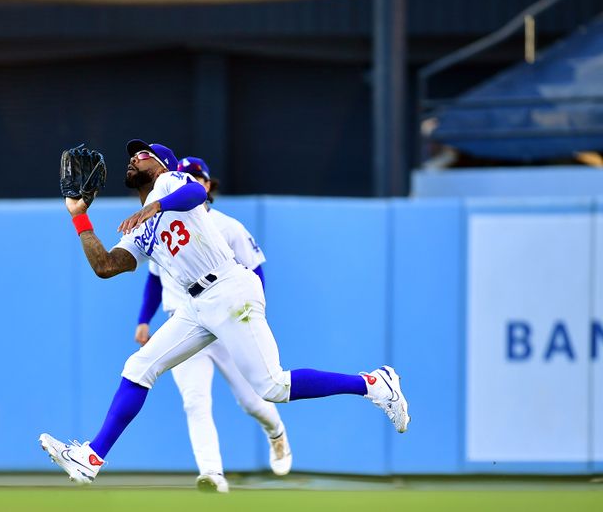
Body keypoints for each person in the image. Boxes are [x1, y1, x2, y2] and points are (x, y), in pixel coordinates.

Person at [39, 139, 410, 485]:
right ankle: (92, 457)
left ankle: (373, 384)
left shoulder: (170, 183)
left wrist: (154, 205)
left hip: (229, 287)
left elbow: (196, 192)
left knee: (272, 387)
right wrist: (78, 215)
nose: (135, 157)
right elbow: (105, 266)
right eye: (133, 155)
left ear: (163, 164)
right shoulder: (139, 231)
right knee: (139, 367)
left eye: (144, 153)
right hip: (195, 305)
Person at [135, 157, 291, 493]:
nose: (190, 180)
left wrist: (252, 317)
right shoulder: (159, 227)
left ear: (207, 185)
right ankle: (212, 474)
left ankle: (276, 433)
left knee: (255, 398)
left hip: (227, 319)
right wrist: (143, 320)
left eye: (196, 177)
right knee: (195, 401)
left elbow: (256, 272)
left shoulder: (227, 225)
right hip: (185, 322)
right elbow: (153, 278)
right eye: (184, 174)